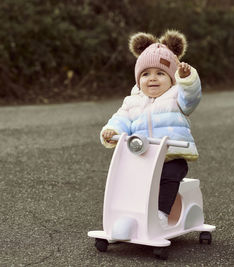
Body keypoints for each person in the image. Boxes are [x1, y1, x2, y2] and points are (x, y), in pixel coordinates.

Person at [100, 30, 202, 228]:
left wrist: (187, 79)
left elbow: (192, 97)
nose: (152, 79)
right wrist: (112, 130)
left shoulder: (176, 98)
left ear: (172, 78)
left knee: (169, 176)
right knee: (127, 178)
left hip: (171, 156)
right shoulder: (133, 101)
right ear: (139, 80)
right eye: (145, 74)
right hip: (142, 157)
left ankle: (162, 214)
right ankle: (127, 215)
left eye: (160, 73)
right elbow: (121, 118)